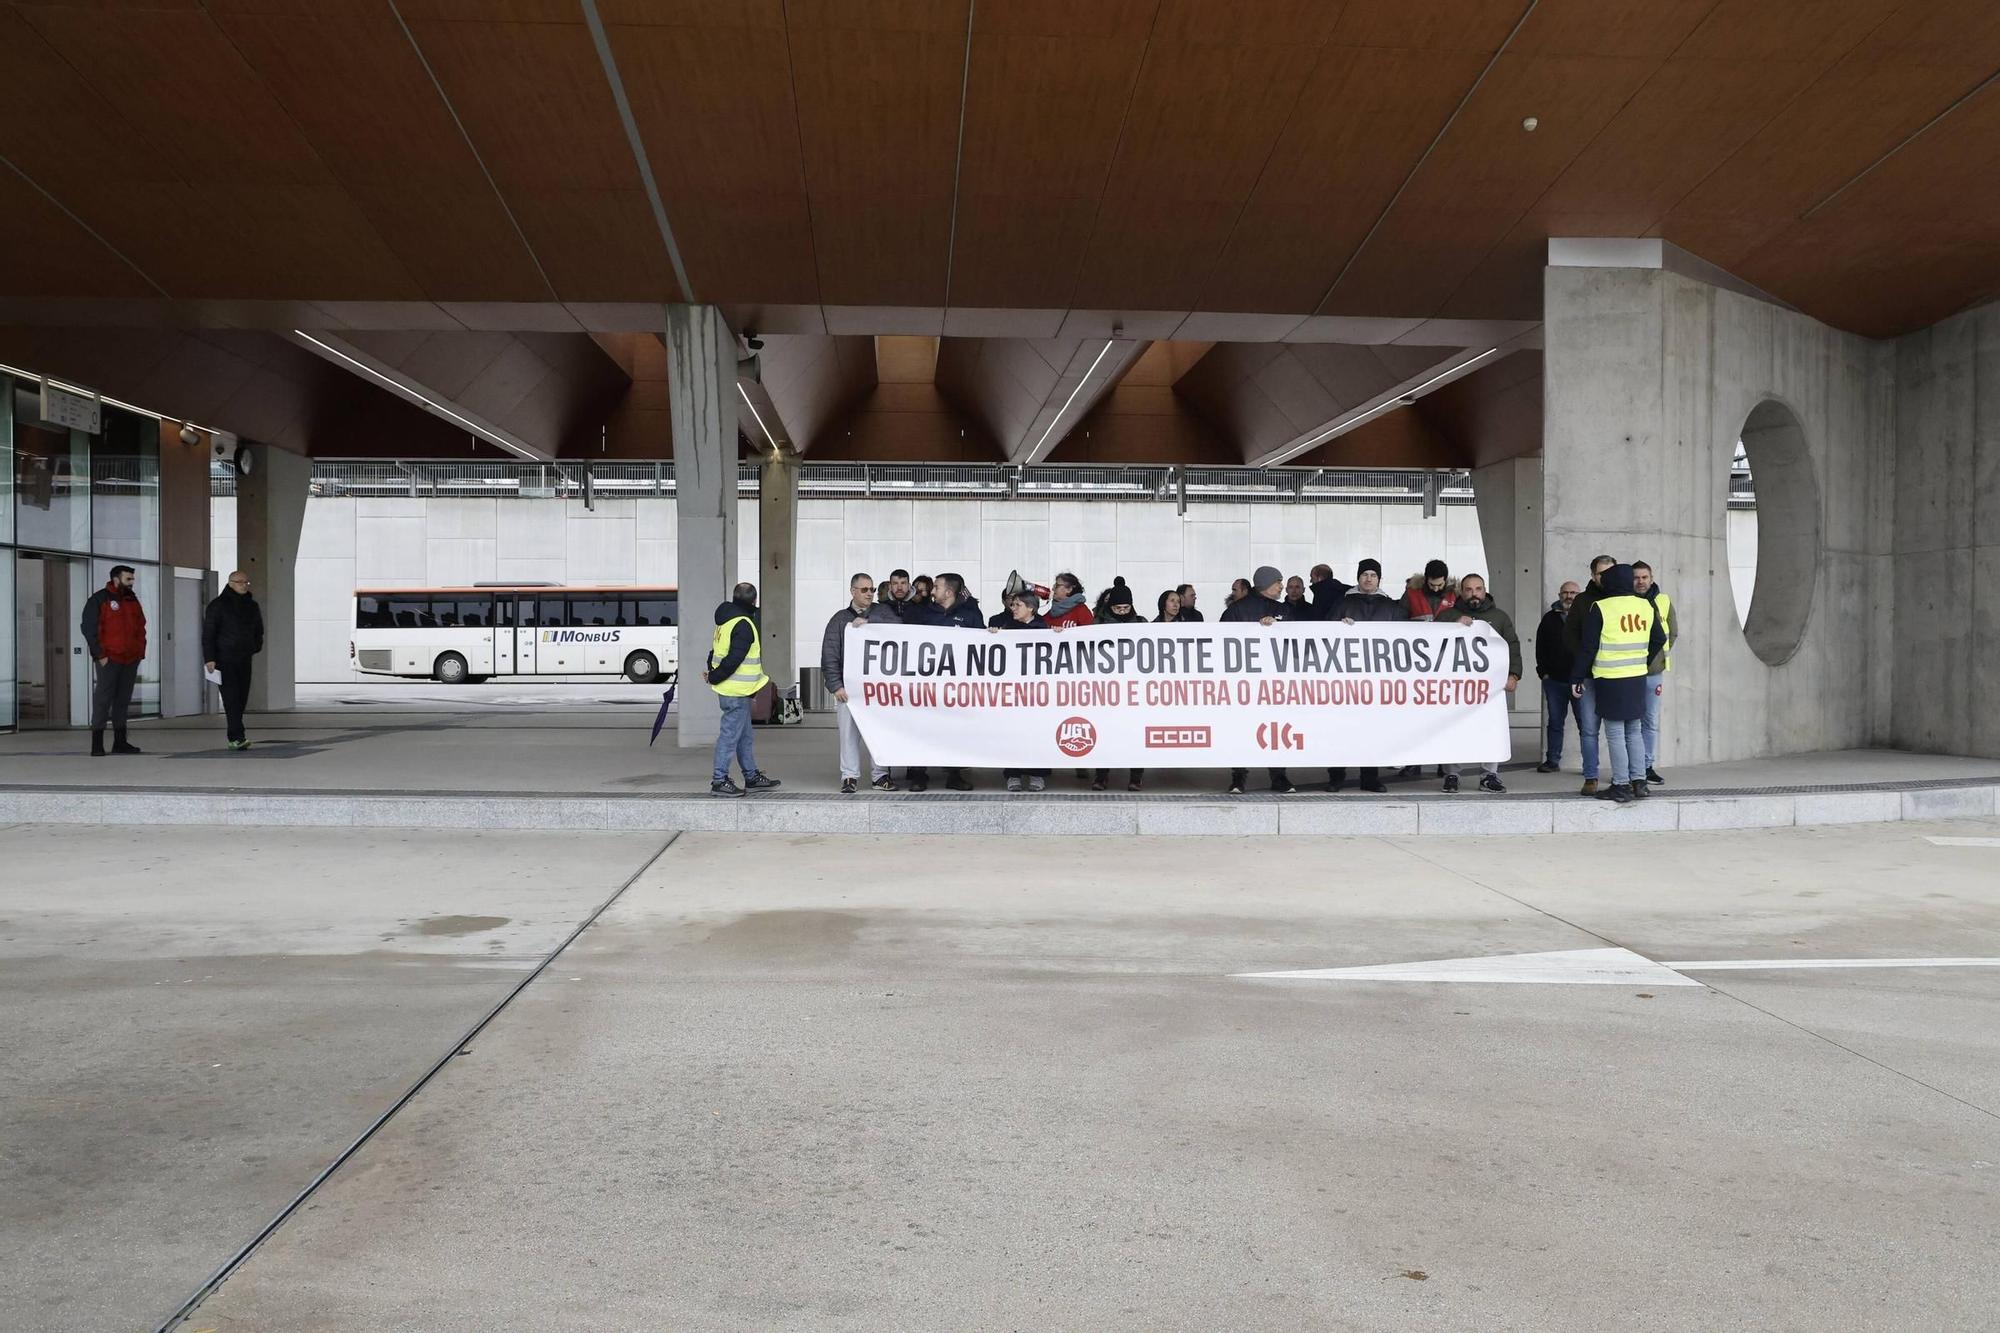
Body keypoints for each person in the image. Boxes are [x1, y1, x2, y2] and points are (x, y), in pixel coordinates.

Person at [1569, 563, 1666, 805]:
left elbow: (1589, 647)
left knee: (1614, 733)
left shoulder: (1600, 607)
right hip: (1636, 675)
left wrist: (1577, 676)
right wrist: (1642, 658)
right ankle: (1639, 782)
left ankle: (1620, 785)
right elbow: (1660, 638)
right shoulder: (1645, 605)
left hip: (1609, 678)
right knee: (1634, 730)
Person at [1329, 559, 1405, 793]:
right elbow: (1324, 632)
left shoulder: (1391, 607)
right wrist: (1338, 627)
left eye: (1373, 574)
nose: (1369, 578)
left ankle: (1370, 777)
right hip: (1346, 678)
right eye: (1365, 574)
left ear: (1379, 578)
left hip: (1377, 681)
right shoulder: (1342, 604)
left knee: (1373, 729)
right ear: (1358, 578)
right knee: (1340, 729)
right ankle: (1336, 777)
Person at [904, 573, 982, 792]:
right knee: (922, 728)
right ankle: (918, 774)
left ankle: (954, 774)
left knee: (954, 730)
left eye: (937, 587)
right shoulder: (922, 614)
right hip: (926, 685)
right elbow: (899, 635)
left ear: (948, 592)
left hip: (957, 686)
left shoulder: (970, 616)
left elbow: (983, 644)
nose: (932, 590)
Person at [1442, 574, 1519, 793]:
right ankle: (1452, 775)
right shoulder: (1447, 616)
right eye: (1468, 589)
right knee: (1453, 729)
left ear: (1485, 590)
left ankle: (1489, 775)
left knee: (1491, 729)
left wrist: (1513, 675)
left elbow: (1512, 646)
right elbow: (1433, 644)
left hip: (1490, 688)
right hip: (1456, 687)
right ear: (1461, 592)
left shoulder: (1500, 617)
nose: (1473, 593)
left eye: (1478, 588)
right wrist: (1453, 626)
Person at [824, 573, 899, 795]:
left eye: (872, 590)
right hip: (849, 690)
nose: (869, 594)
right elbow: (830, 655)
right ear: (853, 591)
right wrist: (836, 686)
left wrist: (869, 624)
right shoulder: (839, 620)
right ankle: (849, 776)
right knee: (848, 734)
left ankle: (880, 775)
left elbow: (899, 629)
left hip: (878, 689)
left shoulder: (883, 613)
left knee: (880, 733)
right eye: (864, 589)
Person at [1224, 565, 1295, 794]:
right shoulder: (1237, 611)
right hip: (1245, 682)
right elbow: (1223, 642)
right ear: (1265, 584)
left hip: (1276, 682)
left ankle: (1279, 776)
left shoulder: (1286, 610)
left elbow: (1298, 642)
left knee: (1277, 729)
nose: (1282, 586)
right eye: (1278, 582)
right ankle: (1238, 777)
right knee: (1240, 728)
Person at [705, 581, 781, 797]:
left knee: (744, 736)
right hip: (735, 692)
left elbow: (716, 652)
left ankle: (751, 776)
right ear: (755, 600)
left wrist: (712, 673)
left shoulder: (725, 621)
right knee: (730, 737)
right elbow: (734, 658)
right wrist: (714, 676)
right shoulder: (744, 624)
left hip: (734, 690)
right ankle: (719, 780)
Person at [989, 591, 1053, 792]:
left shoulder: (1045, 628)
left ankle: (1037, 774)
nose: (1012, 608)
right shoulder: (1007, 628)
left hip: (1038, 692)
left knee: (1038, 732)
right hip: (1013, 692)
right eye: (1012, 604)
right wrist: (992, 636)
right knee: (1012, 731)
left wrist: (1060, 635)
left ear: (1030, 608)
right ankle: (1013, 773)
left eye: (1017, 605)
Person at [80, 564, 146, 757]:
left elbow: (140, 627)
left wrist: (139, 652)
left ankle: (120, 742)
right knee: (103, 699)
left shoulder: (132, 600)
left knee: (122, 701)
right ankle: (97, 744)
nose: (132, 582)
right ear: (116, 579)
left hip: (130, 659)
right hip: (109, 659)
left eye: (133, 579)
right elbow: (89, 629)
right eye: (129, 579)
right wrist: (100, 655)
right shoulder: (99, 599)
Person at [1565, 555, 1617, 795]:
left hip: (1617, 676)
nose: (1604, 578)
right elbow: (1570, 635)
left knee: (1619, 730)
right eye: (1600, 573)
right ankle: (1591, 777)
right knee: (1588, 729)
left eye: (1609, 572)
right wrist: (1586, 661)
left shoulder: (1626, 600)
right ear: (1592, 575)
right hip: (1588, 675)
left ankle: (1622, 777)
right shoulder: (1582, 601)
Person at [202, 569, 265, 751]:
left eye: (246, 582)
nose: (244, 585)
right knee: (231, 698)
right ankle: (237, 737)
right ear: (230, 583)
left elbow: (258, 630)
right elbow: (208, 634)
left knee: (242, 697)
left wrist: (255, 646)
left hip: (244, 658)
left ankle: (237, 735)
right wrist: (210, 658)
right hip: (223, 659)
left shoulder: (252, 605)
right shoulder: (218, 605)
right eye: (240, 582)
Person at [1093, 584, 1147, 791]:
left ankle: (1136, 777)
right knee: (1104, 733)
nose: (1123, 612)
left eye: (1126, 608)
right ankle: (1101, 776)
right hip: (1105, 690)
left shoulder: (1142, 623)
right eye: (1118, 609)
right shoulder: (1097, 624)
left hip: (1134, 690)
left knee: (1135, 735)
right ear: (1110, 607)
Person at [1632, 561, 1676, 786]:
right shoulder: (1625, 602)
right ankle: (1632, 769)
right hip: (1628, 671)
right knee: (1630, 722)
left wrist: (1656, 659)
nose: (1640, 582)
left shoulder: (1663, 601)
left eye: (1644, 577)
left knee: (1650, 721)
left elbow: (1672, 632)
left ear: (1651, 578)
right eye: (1636, 577)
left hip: (1653, 673)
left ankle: (1647, 766)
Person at [1534, 581, 1582, 773]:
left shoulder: (1586, 617)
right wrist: (1543, 672)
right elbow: (1540, 647)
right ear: (1559, 594)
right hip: (1554, 681)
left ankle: (1589, 765)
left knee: (1585, 725)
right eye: (1565, 592)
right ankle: (1552, 761)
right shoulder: (1548, 619)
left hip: (1580, 682)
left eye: (1573, 593)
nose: (1569, 596)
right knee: (1554, 722)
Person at [1220, 566, 1289, 624]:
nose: (1282, 586)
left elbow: (1294, 631)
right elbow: (1222, 635)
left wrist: (1279, 625)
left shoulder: (1283, 609)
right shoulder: (1236, 610)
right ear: (1266, 583)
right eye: (1278, 582)